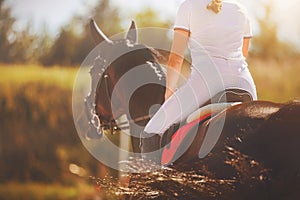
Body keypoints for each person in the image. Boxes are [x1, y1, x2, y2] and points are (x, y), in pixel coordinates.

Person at [140, 0, 257, 162]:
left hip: (206, 83)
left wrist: (169, 93)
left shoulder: (188, 6)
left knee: (151, 130)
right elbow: (243, 54)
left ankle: (152, 180)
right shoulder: (241, 9)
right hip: (244, 84)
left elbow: (176, 59)